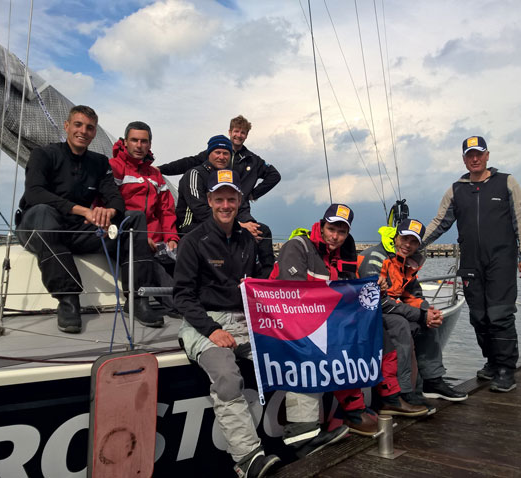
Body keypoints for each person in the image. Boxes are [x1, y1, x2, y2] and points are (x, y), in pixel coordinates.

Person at [175, 170, 347, 478]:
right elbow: (183, 298)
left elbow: (261, 283)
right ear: (210, 201)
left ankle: (303, 434)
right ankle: (246, 458)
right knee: (226, 375)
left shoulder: (248, 240)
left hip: (246, 319)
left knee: (300, 352)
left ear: (239, 201)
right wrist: (213, 330)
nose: (226, 205)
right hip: (204, 321)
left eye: (231, 198)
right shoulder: (192, 241)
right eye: (219, 199)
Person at [271, 204, 427, 435]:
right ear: (322, 225)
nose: (336, 236)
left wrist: (376, 287)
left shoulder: (345, 252)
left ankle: (390, 398)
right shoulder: (298, 246)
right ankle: (353, 411)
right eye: (332, 228)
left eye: (342, 232)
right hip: (293, 321)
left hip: (330, 318)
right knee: (341, 346)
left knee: (380, 333)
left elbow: (351, 289)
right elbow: (290, 294)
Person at [422, 136, 521, 393]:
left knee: (500, 315)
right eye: (470, 155)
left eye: (479, 154)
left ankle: (506, 369)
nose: (475, 159)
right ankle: (492, 362)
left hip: (501, 261)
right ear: (464, 159)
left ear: (487, 156)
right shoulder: (456, 189)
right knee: (479, 317)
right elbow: (439, 224)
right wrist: (410, 245)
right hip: (471, 263)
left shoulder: (506, 182)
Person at [16, 105, 125, 333]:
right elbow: (34, 193)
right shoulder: (44, 154)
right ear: (66, 126)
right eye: (78, 125)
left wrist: (109, 212)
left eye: (89, 127)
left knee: (132, 221)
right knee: (44, 213)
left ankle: (140, 297)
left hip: (75, 230)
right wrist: (83, 211)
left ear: (94, 133)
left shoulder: (99, 163)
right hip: (36, 226)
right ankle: (68, 300)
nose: (83, 131)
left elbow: (115, 198)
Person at [163, 115, 279, 275]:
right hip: (193, 226)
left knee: (261, 231)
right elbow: (201, 210)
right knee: (236, 234)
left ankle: (264, 284)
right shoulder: (195, 174)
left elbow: (244, 200)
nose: (222, 157)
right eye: (218, 152)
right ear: (209, 154)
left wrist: (251, 204)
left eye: (226, 154)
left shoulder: (242, 167)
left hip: (227, 221)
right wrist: (159, 169)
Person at [373, 219, 468, 406]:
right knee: (400, 324)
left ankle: (432, 381)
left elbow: (412, 294)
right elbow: (378, 301)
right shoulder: (377, 257)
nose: (408, 245)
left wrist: (428, 311)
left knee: (426, 321)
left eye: (414, 241)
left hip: (388, 309)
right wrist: (421, 315)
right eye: (404, 238)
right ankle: (402, 391)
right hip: (370, 313)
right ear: (395, 237)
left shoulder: (405, 261)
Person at [110, 121, 179, 327]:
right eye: (134, 140)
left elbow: (166, 210)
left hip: (159, 243)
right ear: (125, 142)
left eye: (144, 141)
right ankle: (146, 303)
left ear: (150, 144)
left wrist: (172, 238)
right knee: (175, 300)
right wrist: (141, 236)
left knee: (191, 260)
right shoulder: (114, 168)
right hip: (131, 239)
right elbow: (108, 205)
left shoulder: (155, 175)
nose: (139, 145)